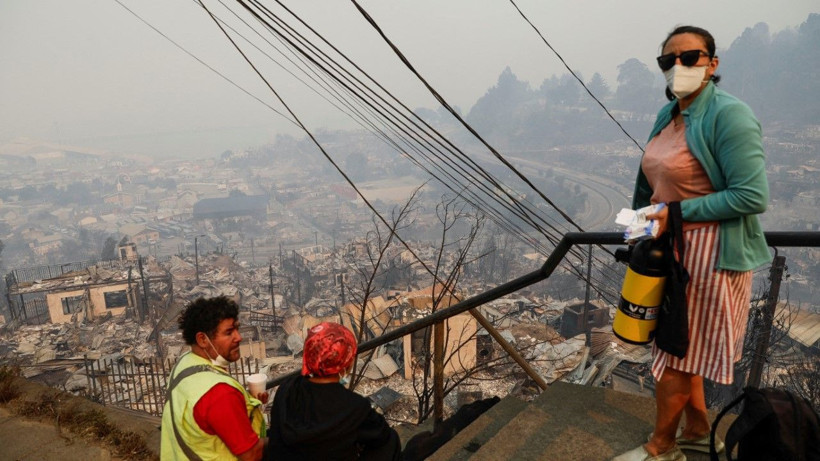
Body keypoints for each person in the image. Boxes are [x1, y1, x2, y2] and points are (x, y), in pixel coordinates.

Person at [614, 26, 770, 461]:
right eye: (669, 60)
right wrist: (638, 229)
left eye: (690, 57)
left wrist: (677, 213)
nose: (678, 67)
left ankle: (661, 447)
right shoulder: (669, 116)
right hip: (672, 249)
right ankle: (698, 433)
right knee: (685, 349)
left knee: (676, 353)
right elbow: (652, 185)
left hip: (712, 256)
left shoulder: (729, 114)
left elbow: (752, 195)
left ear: (712, 63)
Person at [267, 322, 402, 460]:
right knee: (392, 441)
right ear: (347, 363)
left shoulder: (287, 388)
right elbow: (383, 436)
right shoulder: (354, 407)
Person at [161, 296, 268, 460]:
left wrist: (246, 403)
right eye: (229, 332)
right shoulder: (220, 393)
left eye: (237, 329)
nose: (239, 337)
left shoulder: (184, 364)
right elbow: (251, 454)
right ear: (203, 339)